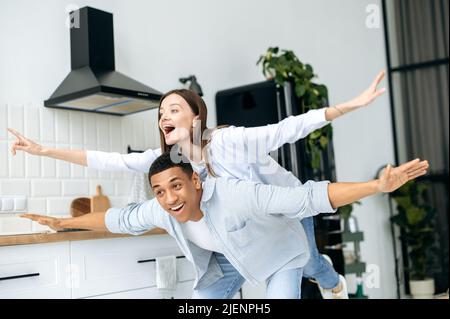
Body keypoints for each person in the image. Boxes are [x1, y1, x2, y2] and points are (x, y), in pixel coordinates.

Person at [9, 71, 386, 298]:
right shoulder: (174, 164)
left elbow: (285, 130)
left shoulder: (227, 142)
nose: (164, 117)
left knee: (309, 265)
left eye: (173, 109)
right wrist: (43, 150)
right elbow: (112, 161)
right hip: (235, 234)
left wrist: (351, 105)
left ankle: (332, 280)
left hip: (282, 209)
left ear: (196, 117)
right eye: (160, 113)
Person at [21, 152, 429, 299]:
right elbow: (119, 219)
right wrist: (64, 222)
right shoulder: (164, 208)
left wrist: (378, 185)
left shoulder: (236, 193)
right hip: (229, 261)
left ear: (195, 181)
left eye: (176, 186)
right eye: (159, 191)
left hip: (278, 251)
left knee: (310, 269)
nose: (169, 198)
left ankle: (332, 279)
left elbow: (308, 198)